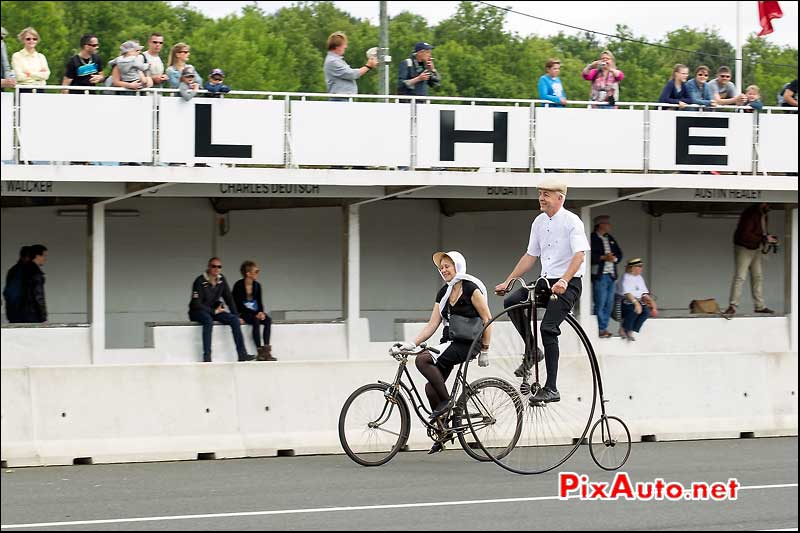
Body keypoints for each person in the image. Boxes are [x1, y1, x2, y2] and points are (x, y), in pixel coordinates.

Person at [495, 179, 590, 405]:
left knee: (548, 328)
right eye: (540, 193)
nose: (541, 198)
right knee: (512, 302)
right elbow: (530, 256)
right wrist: (508, 281)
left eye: (546, 194)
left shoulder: (572, 222)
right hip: (545, 282)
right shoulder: (538, 222)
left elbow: (580, 255)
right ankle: (532, 350)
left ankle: (552, 388)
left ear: (560, 198)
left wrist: (565, 281)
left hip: (569, 283)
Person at [399, 250, 492, 454]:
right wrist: (411, 343)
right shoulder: (443, 293)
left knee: (423, 361)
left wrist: (485, 349)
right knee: (430, 389)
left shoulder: (471, 289)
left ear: (458, 265)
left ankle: (448, 403)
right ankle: (444, 430)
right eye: (441, 268)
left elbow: (487, 319)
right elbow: (433, 324)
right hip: (450, 342)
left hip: (468, 343)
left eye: (447, 266)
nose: (444, 270)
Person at [188, 258, 255, 362]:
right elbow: (196, 304)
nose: (216, 269)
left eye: (219, 267)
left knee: (233, 320)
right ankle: (207, 357)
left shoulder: (221, 279)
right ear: (209, 267)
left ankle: (242, 354)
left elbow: (229, 299)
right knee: (208, 321)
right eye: (214, 266)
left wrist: (237, 316)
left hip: (214, 310)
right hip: (197, 311)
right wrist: (213, 312)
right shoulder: (199, 281)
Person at [724, 203, 777, 316]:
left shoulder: (764, 214)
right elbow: (745, 234)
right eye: (767, 204)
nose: (769, 206)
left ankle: (759, 306)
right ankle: (733, 306)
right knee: (740, 276)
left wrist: (768, 237)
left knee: (758, 276)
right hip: (744, 247)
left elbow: (761, 232)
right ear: (762, 204)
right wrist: (764, 238)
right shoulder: (750, 214)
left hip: (755, 247)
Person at [233, 260, 277, 362]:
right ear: (248, 274)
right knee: (255, 321)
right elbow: (238, 305)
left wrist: (261, 312)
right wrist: (255, 314)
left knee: (267, 320)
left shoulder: (257, 285)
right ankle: (260, 351)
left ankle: (266, 349)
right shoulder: (238, 285)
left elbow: (260, 302)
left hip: (255, 312)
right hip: (244, 313)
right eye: (256, 271)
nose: (258, 273)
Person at [590, 215, 623, 339]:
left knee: (609, 303)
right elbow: (590, 255)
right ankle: (600, 329)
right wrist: (603, 258)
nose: (609, 226)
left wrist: (614, 258)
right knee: (600, 303)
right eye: (607, 224)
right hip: (600, 275)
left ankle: (604, 327)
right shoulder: (592, 238)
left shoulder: (609, 238)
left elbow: (619, 253)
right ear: (600, 225)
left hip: (611, 275)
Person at [323, 31, 377, 100]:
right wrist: (368, 66)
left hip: (343, 99)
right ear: (337, 47)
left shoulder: (336, 60)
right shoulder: (333, 61)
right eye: (344, 45)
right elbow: (351, 74)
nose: (346, 47)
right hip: (339, 99)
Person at [616, 258, 658, 341]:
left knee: (646, 312)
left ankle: (630, 330)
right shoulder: (626, 277)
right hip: (624, 301)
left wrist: (652, 304)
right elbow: (627, 293)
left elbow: (644, 293)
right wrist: (636, 303)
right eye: (639, 266)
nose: (641, 268)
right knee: (635, 310)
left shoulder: (639, 277)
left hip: (637, 300)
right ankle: (624, 329)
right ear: (633, 267)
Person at [3, 246, 31, 323]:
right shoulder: (21, 271)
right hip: (21, 316)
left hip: (17, 314)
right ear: (26, 257)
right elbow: (12, 294)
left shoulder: (15, 270)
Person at [21, 244, 47, 323]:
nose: (45, 259)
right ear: (37, 256)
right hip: (34, 315)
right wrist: (43, 317)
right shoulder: (36, 273)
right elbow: (38, 297)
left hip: (23, 313)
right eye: (44, 256)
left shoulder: (24, 269)